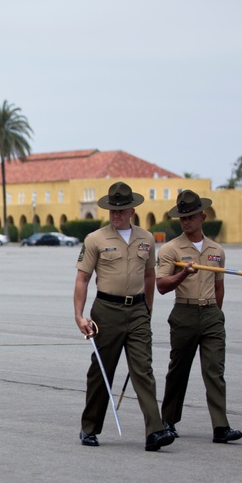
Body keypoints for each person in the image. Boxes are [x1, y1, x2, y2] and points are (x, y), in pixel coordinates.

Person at [74, 181, 174, 451]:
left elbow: (150, 275)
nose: (116, 215)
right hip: (107, 311)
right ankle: (90, 428)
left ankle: (155, 430)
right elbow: (82, 279)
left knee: (143, 370)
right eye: (112, 210)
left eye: (121, 210)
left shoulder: (147, 238)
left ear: (132, 210)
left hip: (138, 310)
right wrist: (79, 315)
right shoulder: (95, 239)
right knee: (102, 371)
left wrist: (148, 309)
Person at [156, 190, 242, 444]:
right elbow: (161, 285)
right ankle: (169, 420)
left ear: (202, 216)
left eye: (191, 216)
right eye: (182, 217)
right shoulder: (171, 249)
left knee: (215, 369)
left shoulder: (216, 250)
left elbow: (219, 286)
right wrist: (183, 275)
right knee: (178, 370)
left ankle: (220, 426)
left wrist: (216, 312)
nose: (186, 221)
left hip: (211, 313)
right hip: (184, 312)